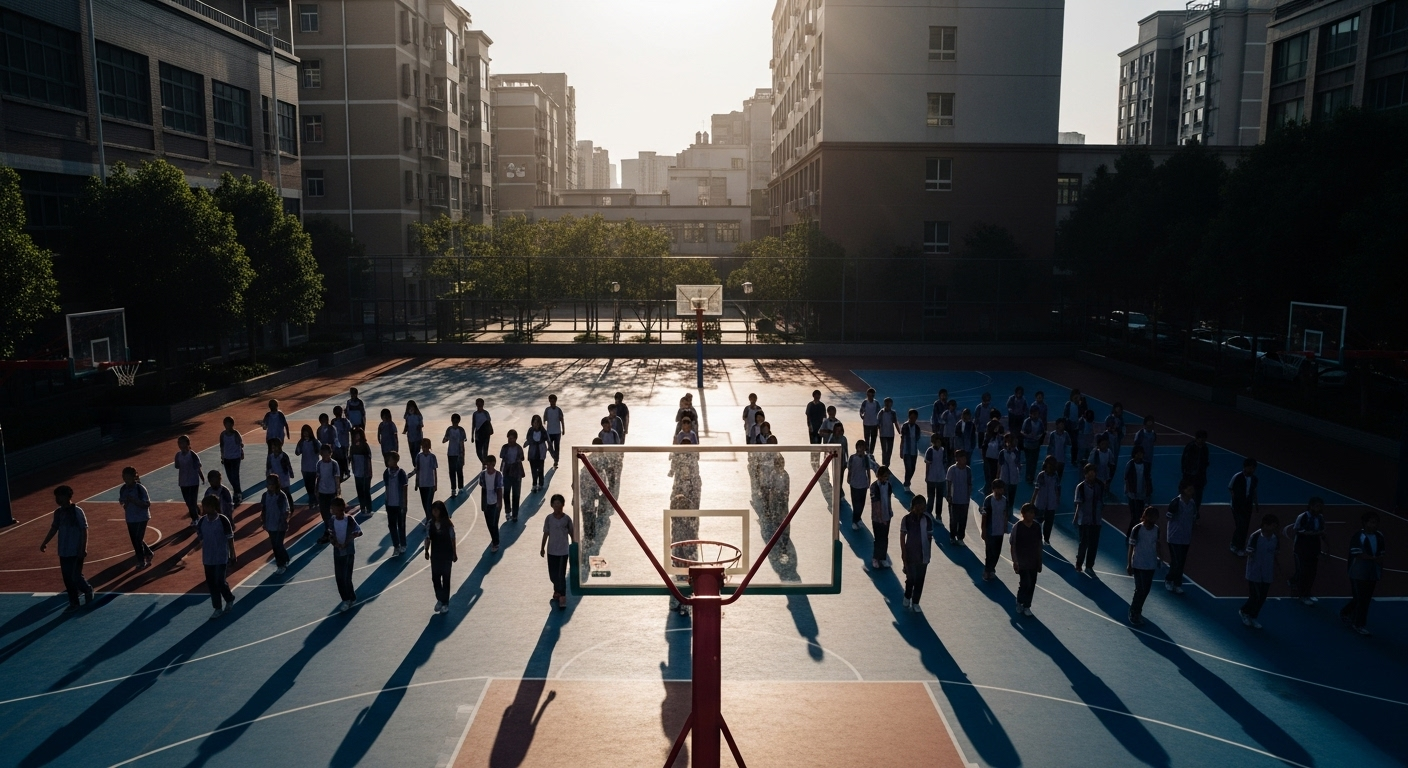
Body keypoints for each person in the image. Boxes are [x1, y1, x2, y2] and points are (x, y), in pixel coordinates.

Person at [40, 485, 92, 612]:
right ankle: (74, 602)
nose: (58, 499)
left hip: (76, 550)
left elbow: (84, 530)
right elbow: (54, 528)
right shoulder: (58, 513)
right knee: (67, 578)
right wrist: (45, 542)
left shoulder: (77, 511)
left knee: (75, 576)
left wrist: (83, 548)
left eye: (60, 496)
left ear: (68, 496)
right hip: (63, 551)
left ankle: (87, 589)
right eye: (56, 497)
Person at [1341, 511, 1385, 636]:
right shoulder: (1358, 536)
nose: (1374, 525)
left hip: (1372, 572)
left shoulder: (1379, 536)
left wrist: (1379, 566)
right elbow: (1357, 553)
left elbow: (1381, 552)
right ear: (1365, 523)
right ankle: (1358, 623)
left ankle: (1347, 612)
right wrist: (1374, 559)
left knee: (1364, 598)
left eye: (1376, 522)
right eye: (1372, 522)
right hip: (1358, 572)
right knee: (1361, 598)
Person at [195, 495, 237, 619]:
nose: (204, 508)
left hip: (221, 556)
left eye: (207, 506)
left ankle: (229, 598)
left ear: (214, 507)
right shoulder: (201, 521)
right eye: (204, 506)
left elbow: (230, 538)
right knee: (211, 583)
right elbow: (201, 537)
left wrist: (232, 554)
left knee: (219, 581)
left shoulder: (223, 520)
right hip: (208, 558)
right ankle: (217, 607)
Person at [1239, 514, 1279, 629]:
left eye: (1275, 526)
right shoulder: (1255, 536)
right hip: (1255, 571)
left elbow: (1276, 551)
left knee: (1262, 597)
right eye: (1272, 526)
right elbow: (1249, 549)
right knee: (1255, 596)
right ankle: (1244, 611)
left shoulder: (1275, 538)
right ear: (1265, 525)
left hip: (1267, 571)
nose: (1274, 528)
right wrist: (1249, 552)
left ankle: (1253, 616)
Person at [1287, 497, 1325, 605]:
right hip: (1302, 548)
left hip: (1314, 547)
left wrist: (1326, 547)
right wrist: (1310, 533)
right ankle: (1302, 594)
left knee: (1312, 571)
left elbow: (1322, 531)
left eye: (1320, 506)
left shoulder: (1320, 518)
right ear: (1311, 506)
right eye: (1317, 506)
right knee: (1303, 571)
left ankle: (1307, 592)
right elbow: (1297, 529)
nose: (1319, 509)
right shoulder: (1303, 516)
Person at [1126, 506, 1160, 626]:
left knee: (1146, 590)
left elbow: (1157, 544)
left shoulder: (1156, 529)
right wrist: (1129, 564)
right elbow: (1131, 547)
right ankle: (1134, 612)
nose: (1153, 520)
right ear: (1145, 516)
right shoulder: (1137, 529)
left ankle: (1137, 610)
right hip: (1138, 563)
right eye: (1151, 517)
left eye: (1155, 518)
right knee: (1140, 589)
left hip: (1150, 564)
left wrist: (1160, 558)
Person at [541, 494, 575, 610]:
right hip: (551, 551)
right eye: (554, 503)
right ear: (551, 505)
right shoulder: (549, 519)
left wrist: (574, 546)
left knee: (561, 575)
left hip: (563, 551)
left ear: (562, 505)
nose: (556, 506)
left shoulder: (567, 519)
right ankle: (557, 591)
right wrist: (542, 547)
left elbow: (572, 533)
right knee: (553, 575)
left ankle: (562, 596)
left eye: (558, 503)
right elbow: (546, 533)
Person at [328, 497, 362, 612]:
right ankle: (346, 599)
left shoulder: (349, 520)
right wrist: (336, 544)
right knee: (339, 577)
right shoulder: (332, 520)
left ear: (340, 509)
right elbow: (330, 534)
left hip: (348, 552)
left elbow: (359, 531)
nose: (332, 511)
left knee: (346, 577)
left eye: (334, 509)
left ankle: (350, 598)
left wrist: (348, 540)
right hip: (338, 552)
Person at [899, 496, 932, 612]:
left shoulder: (928, 520)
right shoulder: (906, 519)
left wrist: (928, 554)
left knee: (920, 579)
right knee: (911, 578)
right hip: (910, 554)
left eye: (922, 506)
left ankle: (916, 602)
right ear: (912, 507)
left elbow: (929, 538)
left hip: (923, 555)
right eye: (918, 506)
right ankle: (907, 596)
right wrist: (903, 553)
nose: (920, 509)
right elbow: (902, 537)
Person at [425, 500, 457, 615]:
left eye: (436, 510)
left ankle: (445, 603)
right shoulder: (430, 524)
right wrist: (426, 550)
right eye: (433, 510)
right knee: (435, 578)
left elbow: (453, 539)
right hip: (435, 555)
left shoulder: (448, 525)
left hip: (446, 555)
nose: (434, 512)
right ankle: (440, 598)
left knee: (446, 578)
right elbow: (427, 538)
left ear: (441, 511)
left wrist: (454, 553)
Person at [1164, 481, 1197, 594]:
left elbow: (1193, 517)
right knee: (1176, 561)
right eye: (1189, 489)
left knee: (1182, 562)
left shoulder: (1192, 503)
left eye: (1192, 489)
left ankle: (1177, 584)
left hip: (1186, 537)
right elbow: (1168, 517)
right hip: (1174, 537)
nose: (1191, 492)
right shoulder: (1175, 502)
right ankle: (1169, 580)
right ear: (1183, 490)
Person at [1010, 503, 1043, 616]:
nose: (1031, 515)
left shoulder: (1037, 527)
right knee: (1025, 583)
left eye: (1033, 513)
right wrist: (1015, 561)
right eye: (1029, 513)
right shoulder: (1017, 527)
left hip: (1033, 561)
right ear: (1023, 514)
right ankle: (1020, 601)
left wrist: (1040, 561)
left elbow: (1039, 545)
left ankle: (1027, 605)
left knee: (1032, 583)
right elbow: (1013, 545)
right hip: (1022, 561)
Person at [118, 467, 153, 568]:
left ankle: (141, 561)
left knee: (137, 540)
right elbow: (123, 503)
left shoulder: (140, 488)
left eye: (128, 478)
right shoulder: (123, 489)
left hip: (142, 517)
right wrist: (125, 503)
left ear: (134, 477)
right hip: (130, 518)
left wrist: (135, 501)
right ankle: (148, 553)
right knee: (135, 539)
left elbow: (147, 504)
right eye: (124, 477)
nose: (126, 480)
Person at [1073, 464, 1104, 573]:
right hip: (1084, 519)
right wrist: (1076, 517)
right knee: (1084, 542)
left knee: (1093, 544)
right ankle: (1079, 563)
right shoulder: (1081, 487)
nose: (1091, 476)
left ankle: (1089, 565)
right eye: (1089, 474)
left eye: (1093, 473)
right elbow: (1078, 504)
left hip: (1096, 519)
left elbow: (1101, 501)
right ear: (1085, 474)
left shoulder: (1099, 485)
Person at [261, 473, 293, 574]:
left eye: (272, 484)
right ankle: (285, 558)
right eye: (268, 484)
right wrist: (264, 521)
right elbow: (264, 509)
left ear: (276, 484)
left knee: (278, 544)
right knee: (274, 545)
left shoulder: (281, 496)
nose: (270, 486)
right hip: (270, 524)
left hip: (280, 525)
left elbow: (286, 511)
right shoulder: (265, 496)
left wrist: (283, 521)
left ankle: (281, 564)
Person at [980, 480, 1011, 581]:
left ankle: (992, 569)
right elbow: (984, 516)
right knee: (989, 552)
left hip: (999, 531)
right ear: (993, 489)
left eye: (1001, 489)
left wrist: (1005, 526)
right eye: (998, 489)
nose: (1000, 491)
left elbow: (1005, 514)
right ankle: (987, 571)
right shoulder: (988, 500)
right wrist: (983, 530)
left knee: (997, 552)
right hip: (990, 530)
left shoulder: (1005, 501)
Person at [1228, 458, 1260, 556]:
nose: (1251, 470)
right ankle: (1236, 545)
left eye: (1253, 468)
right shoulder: (1237, 477)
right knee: (1240, 525)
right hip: (1237, 506)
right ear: (1245, 467)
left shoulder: (1254, 479)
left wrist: (1256, 503)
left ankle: (1239, 545)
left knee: (1245, 526)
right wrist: (1235, 499)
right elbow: (1230, 488)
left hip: (1247, 506)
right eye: (1250, 468)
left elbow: (1254, 491)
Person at [383, 452, 409, 556]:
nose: (388, 462)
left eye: (390, 460)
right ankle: (396, 545)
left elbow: (404, 488)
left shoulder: (401, 473)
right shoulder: (386, 473)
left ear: (395, 461)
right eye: (388, 460)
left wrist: (404, 504)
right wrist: (386, 501)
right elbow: (387, 488)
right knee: (392, 525)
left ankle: (403, 544)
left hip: (399, 504)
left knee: (401, 525)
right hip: (390, 504)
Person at [870, 466, 895, 569]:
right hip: (877, 518)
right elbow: (876, 504)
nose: (886, 478)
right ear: (879, 476)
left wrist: (889, 511)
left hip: (886, 516)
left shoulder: (888, 485)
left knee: (885, 538)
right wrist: (881, 518)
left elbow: (888, 499)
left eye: (887, 476)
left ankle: (883, 558)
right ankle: (875, 558)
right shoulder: (874, 487)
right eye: (885, 476)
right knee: (878, 538)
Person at [1124, 446, 1153, 536]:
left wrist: (1149, 490)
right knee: (1135, 516)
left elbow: (1148, 478)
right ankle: (1131, 534)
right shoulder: (1130, 464)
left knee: (1140, 515)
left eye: (1141, 453)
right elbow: (1126, 478)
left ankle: (1133, 533)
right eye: (1138, 453)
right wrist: (1128, 490)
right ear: (1134, 454)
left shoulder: (1145, 465)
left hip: (1141, 494)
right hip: (1132, 494)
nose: (1139, 455)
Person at [946, 451, 974, 545]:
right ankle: (952, 536)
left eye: (964, 458)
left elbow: (969, 483)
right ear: (957, 459)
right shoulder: (952, 469)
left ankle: (960, 537)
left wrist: (968, 495)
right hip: (954, 499)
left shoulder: (968, 470)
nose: (963, 460)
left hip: (964, 499)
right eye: (961, 458)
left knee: (963, 519)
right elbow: (948, 482)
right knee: (954, 519)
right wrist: (949, 495)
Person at [1032, 456, 1061, 544]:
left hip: (1051, 503)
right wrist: (1032, 501)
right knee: (1038, 521)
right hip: (1040, 502)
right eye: (1049, 464)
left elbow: (1057, 488)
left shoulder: (1056, 476)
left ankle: (1046, 538)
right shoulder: (1041, 475)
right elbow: (1036, 489)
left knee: (1049, 522)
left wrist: (1057, 499)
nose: (1050, 466)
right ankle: (1037, 537)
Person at [174, 435, 204, 524]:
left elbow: (198, 467)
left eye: (183, 443)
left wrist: (202, 477)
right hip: (183, 482)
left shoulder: (193, 455)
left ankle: (195, 518)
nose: (181, 445)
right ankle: (197, 512)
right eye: (179, 443)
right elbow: (177, 466)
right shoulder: (178, 455)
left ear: (188, 444)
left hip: (193, 481)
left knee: (192, 501)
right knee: (188, 502)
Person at [479, 456, 505, 553]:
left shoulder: (498, 475)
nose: (489, 466)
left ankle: (496, 542)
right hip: (486, 502)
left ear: (494, 464)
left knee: (494, 523)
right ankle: (494, 538)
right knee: (489, 523)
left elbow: (499, 489)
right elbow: (481, 484)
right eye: (487, 464)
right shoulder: (483, 474)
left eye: (491, 464)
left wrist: (499, 503)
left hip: (495, 503)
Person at [847, 441, 874, 531]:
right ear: (857, 447)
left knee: (862, 503)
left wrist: (869, 480)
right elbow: (850, 469)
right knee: (856, 504)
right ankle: (854, 521)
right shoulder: (852, 458)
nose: (861, 449)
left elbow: (868, 470)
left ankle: (858, 518)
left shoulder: (866, 458)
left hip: (863, 484)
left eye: (863, 447)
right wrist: (849, 477)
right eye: (860, 447)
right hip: (854, 484)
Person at [314, 444, 341, 537]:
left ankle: (332, 528)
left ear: (330, 453)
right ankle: (327, 528)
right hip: (322, 491)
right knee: (323, 511)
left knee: (331, 511)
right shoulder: (319, 464)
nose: (325, 456)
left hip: (331, 491)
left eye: (327, 453)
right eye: (323, 454)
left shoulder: (334, 464)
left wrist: (338, 490)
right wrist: (316, 489)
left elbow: (337, 477)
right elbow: (318, 477)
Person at [500, 430, 526, 522]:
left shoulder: (519, 448)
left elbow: (522, 458)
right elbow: (502, 457)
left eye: (512, 438)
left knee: (516, 495)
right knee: (506, 493)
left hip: (516, 474)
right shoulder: (504, 447)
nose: (510, 440)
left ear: (515, 439)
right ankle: (508, 512)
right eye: (509, 438)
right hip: (506, 473)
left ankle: (515, 514)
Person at [411, 438, 438, 526]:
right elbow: (417, 470)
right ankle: (429, 518)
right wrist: (416, 483)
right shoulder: (419, 456)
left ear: (429, 447)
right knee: (424, 503)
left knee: (428, 503)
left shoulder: (432, 457)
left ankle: (430, 519)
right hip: (422, 483)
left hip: (430, 483)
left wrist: (435, 484)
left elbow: (434, 471)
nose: (425, 449)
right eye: (423, 447)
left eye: (426, 447)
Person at [1181, 430, 1210, 512]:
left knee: (1198, 495)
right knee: (1187, 493)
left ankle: (1195, 512)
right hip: (1190, 475)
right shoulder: (1190, 447)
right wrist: (1185, 471)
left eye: (1204, 439)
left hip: (1200, 476)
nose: (1202, 441)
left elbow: (1205, 462)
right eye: (1201, 439)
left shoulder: (1205, 448)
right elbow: (1184, 460)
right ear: (1197, 438)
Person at [294, 425, 321, 512]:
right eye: (304, 432)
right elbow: (297, 452)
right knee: (307, 485)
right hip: (305, 467)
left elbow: (320, 451)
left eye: (307, 432)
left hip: (313, 467)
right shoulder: (301, 442)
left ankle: (313, 501)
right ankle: (312, 499)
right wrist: (299, 444)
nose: (305, 434)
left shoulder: (315, 442)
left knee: (312, 485)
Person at [219, 416, 245, 503]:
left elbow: (240, 444)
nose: (227, 425)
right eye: (225, 424)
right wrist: (222, 456)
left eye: (229, 424)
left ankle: (238, 493)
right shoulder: (222, 435)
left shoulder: (236, 434)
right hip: (227, 458)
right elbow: (222, 446)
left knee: (235, 475)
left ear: (232, 424)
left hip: (235, 457)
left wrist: (241, 452)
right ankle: (236, 490)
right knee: (230, 476)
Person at [349, 429, 374, 514]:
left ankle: (369, 508)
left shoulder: (365, 446)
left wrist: (368, 472)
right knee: (359, 491)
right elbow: (351, 459)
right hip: (357, 472)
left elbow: (368, 459)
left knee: (366, 491)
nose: (356, 436)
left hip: (366, 472)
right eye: (355, 435)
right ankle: (362, 507)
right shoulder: (352, 447)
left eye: (358, 434)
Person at [923, 434, 947, 522]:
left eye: (939, 441)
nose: (938, 443)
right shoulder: (930, 451)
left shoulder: (943, 450)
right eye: (937, 442)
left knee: (939, 497)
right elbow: (928, 465)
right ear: (933, 442)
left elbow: (945, 463)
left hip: (941, 477)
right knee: (931, 496)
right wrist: (927, 476)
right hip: (931, 477)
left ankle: (938, 514)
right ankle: (929, 512)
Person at [897, 409, 923, 486]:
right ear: (908, 417)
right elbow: (902, 439)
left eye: (914, 418)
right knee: (908, 468)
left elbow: (918, 438)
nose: (913, 419)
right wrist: (901, 450)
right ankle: (906, 482)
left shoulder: (917, 428)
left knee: (913, 468)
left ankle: (908, 480)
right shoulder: (905, 426)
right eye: (911, 417)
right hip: (906, 450)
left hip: (914, 451)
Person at [443, 413, 467, 494]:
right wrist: (445, 439)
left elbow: (462, 443)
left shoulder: (461, 430)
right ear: (452, 421)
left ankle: (460, 486)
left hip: (458, 453)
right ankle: (453, 488)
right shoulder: (449, 429)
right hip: (451, 453)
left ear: (459, 421)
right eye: (454, 421)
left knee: (459, 471)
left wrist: (462, 455)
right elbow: (445, 439)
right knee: (452, 471)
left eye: (456, 421)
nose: (455, 423)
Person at [1020, 409, 1045, 484]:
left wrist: (1039, 437)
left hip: (1036, 445)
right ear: (1030, 414)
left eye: (1036, 414)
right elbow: (1022, 432)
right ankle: (1028, 476)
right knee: (1029, 461)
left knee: (1034, 462)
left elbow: (1042, 431)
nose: (1035, 416)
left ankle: (1032, 477)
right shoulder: (1027, 421)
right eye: (1034, 414)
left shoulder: (1040, 422)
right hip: (1028, 445)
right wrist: (1028, 436)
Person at [526, 415, 549, 493]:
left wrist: (549, 447)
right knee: (533, 470)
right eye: (534, 422)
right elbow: (528, 438)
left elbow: (547, 438)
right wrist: (528, 443)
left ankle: (541, 484)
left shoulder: (542, 430)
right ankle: (534, 484)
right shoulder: (530, 430)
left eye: (537, 423)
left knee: (540, 469)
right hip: (532, 453)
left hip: (540, 453)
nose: (536, 424)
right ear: (532, 423)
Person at [876, 397, 900, 467]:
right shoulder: (881, 412)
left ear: (891, 404)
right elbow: (878, 423)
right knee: (884, 450)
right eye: (886, 403)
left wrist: (899, 431)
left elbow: (895, 422)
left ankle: (887, 463)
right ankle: (884, 463)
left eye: (889, 403)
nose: (887, 404)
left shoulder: (893, 413)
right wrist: (879, 431)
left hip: (890, 434)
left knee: (889, 450)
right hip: (883, 434)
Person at [981, 424, 1004, 496]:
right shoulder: (989, 437)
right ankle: (989, 491)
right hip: (990, 459)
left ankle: (991, 490)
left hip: (994, 458)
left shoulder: (999, 437)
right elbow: (984, 447)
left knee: (993, 475)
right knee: (990, 476)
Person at [544, 394, 566, 468]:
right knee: (550, 447)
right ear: (549, 401)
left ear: (556, 401)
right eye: (551, 401)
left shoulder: (558, 410)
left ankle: (556, 461)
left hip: (557, 432)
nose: (552, 403)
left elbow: (562, 420)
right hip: (549, 432)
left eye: (554, 401)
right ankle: (555, 457)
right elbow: (544, 419)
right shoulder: (547, 410)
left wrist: (563, 429)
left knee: (557, 447)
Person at [331, 406, 352, 479]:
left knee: (343, 458)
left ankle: (345, 471)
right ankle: (343, 471)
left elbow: (350, 429)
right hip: (340, 443)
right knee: (341, 458)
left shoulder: (344, 421)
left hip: (342, 443)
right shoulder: (337, 421)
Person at [1105, 402, 1127, 472]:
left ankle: (1113, 467)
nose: (1118, 411)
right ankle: (1108, 466)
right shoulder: (1109, 418)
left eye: (1119, 409)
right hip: (1109, 438)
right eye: (1117, 409)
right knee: (1109, 452)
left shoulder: (1121, 420)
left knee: (1115, 454)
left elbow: (1123, 430)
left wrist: (1120, 435)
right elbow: (1106, 427)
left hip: (1117, 439)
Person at [471, 398, 493, 464]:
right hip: (478, 433)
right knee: (478, 452)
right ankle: (484, 463)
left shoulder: (486, 413)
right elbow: (473, 424)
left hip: (485, 433)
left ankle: (485, 464)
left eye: (480, 405)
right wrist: (472, 435)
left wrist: (490, 430)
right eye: (478, 405)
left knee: (485, 451)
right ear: (476, 405)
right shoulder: (475, 414)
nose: (479, 406)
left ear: (483, 404)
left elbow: (489, 422)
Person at [858, 388, 881, 454]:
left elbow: (879, 413)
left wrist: (879, 423)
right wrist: (862, 415)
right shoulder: (865, 403)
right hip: (866, 423)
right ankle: (867, 451)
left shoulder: (876, 403)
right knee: (867, 438)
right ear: (867, 395)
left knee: (873, 438)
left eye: (872, 395)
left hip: (874, 423)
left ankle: (871, 452)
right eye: (869, 395)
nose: (871, 397)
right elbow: (861, 411)